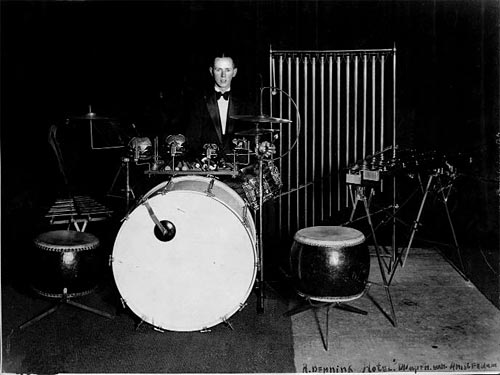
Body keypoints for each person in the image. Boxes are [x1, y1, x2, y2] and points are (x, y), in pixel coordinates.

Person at [183, 52, 257, 161]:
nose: (223, 75)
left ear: (234, 72)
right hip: (207, 166)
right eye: (218, 70)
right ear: (211, 71)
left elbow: (252, 137)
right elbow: (192, 140)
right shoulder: (198, 103)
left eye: (227, 70)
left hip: (237, 167)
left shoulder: (245, 104)